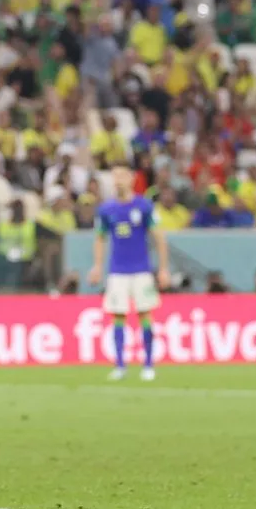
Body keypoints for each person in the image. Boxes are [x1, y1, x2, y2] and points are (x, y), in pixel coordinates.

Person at [88, 163, 170, 382]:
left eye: (122, 175)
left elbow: (159, 238)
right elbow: (100, 238)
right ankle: (120, 365)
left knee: (145, 314)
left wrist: (163, 268)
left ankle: (149, 364)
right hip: (117, 271)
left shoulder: (143, 206)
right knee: (118, 316)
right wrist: (97, 266)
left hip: (141, 270)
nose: (118, 180)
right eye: (115, 176)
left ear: (132, 178)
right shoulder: (106, 210)